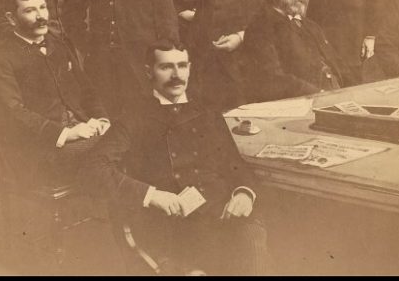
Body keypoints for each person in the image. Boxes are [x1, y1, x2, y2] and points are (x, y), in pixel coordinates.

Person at [86, 43, 270, 275]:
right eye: (166, 67)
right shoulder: (133, 117)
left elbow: (234, 164)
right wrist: (152, 195)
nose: (176, 75)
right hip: (172, 225)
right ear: (148, 71)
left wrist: (244, 192)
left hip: (220, 214)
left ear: (190, 68)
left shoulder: (206, 112)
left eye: (182, 66)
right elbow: (94, 166)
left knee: (252, 239)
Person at [0, 0, 110, 183]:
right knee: (107, 153)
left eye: (43, 7)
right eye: (30, 10)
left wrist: (101, 118)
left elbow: (86, 89)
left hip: (82, 128)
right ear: (11, 18)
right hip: (39, 147)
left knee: (126, 140)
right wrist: (66, 134)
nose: (41, 16)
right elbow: (13, 113)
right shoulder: (0, 59)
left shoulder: (58, 45)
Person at [241, 0, 347, 100]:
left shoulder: (311, 26)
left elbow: (337, 64)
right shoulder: (260, 29)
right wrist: (319, 94)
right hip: (303, 101)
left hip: (336, 95)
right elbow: (273, 79)